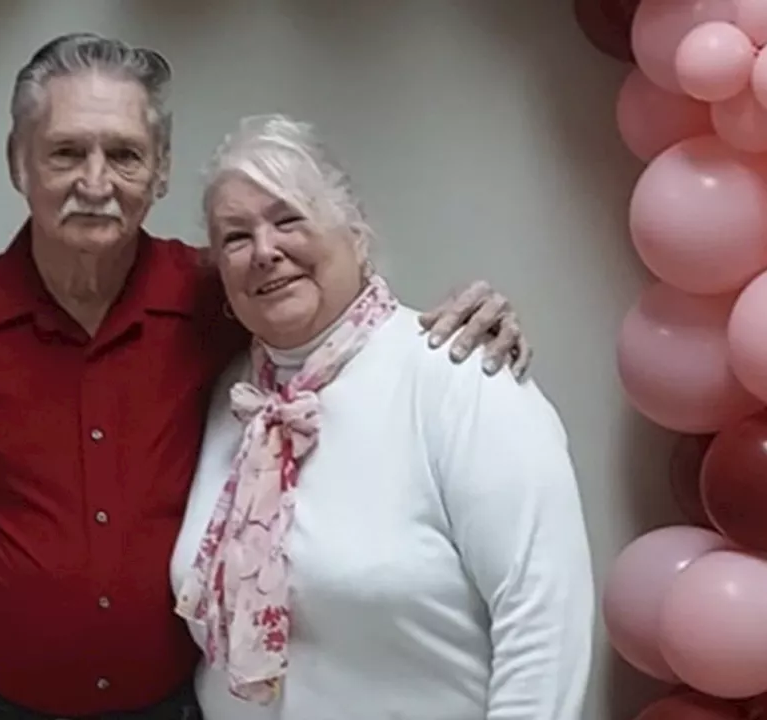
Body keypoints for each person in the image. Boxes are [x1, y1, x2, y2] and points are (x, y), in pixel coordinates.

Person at [0, 33, 534, 720]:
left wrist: (458, 322)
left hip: (176, 708)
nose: (95, 182)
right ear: (18, 163)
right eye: (64, 152)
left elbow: (342, 328)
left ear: (161, 170)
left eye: (124, 155)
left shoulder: (222, 299)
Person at [169, 114, 593, 719]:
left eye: (289, 218)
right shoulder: (228, 398)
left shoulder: (459, 375)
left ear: (357, 233)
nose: (265, 251)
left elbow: (545, 618)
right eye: (235, 237)